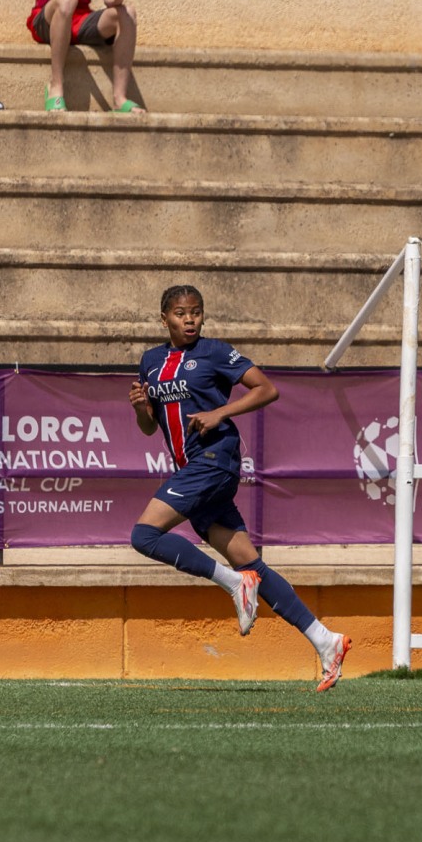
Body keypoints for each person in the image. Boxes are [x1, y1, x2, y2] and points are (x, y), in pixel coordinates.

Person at [126, 285, 350, 690]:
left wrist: (220, 413)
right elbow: (147, 427)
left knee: (144, 535)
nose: (190, 319)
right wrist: (142, 409)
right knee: (251, 564)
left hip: (214, 460)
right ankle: (326, 640)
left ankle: (233, 583)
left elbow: (267, 389)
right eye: (180, 313)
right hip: (195, 468)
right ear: (164, 319)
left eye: (196, 312)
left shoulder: (214, 352)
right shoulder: (151, 362)